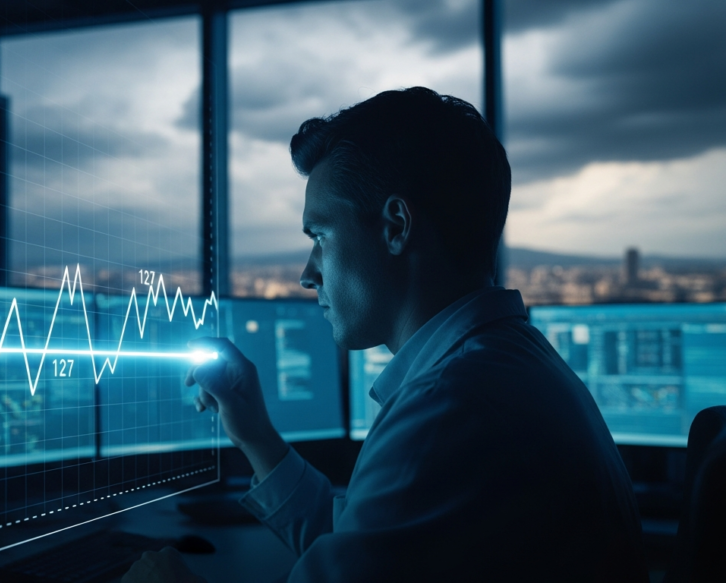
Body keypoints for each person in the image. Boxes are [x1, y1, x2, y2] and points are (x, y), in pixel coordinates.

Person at [123, 87, 647, 582]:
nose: (308, 273)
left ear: (396, 226)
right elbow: (361, 549)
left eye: (321, 237)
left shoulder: (449, 410)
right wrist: (255, 434)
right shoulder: (503, 367)